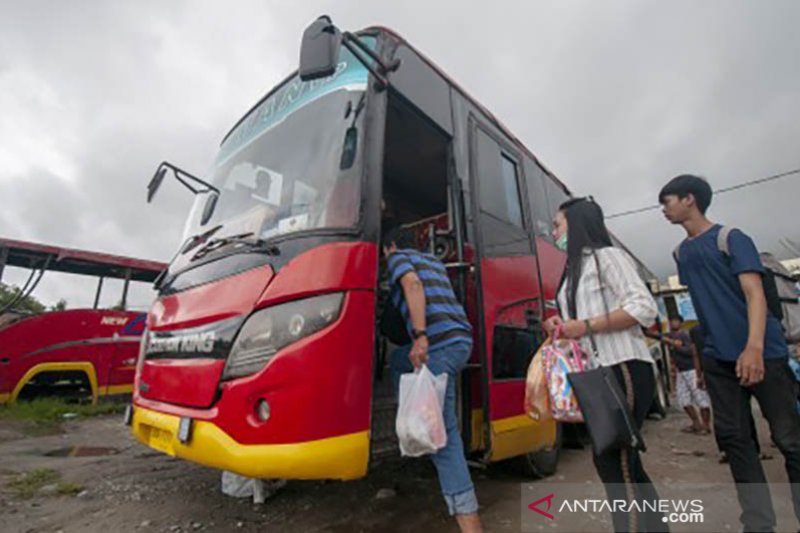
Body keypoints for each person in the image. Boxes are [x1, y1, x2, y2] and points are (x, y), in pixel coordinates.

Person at [659, 174, 800, 532]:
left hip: (763, 353)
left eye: (668, 201)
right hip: (718, 360)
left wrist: (753, 348)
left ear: (689, 199)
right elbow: (704, 305)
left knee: (788, 439)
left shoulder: (731, 239)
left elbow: (754, 294)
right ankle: (758, 524)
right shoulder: (681, 253)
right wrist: (705, 358)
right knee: (736, 442)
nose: (664, 209)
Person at [543, 197, 666, 533]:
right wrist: (561, 324)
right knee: (622, 461)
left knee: (614, 460)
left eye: (558, 225)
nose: (553, 232)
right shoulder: (571, 272)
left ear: (578, 223)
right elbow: (579, 327)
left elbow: (643, 307)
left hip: (622, 365)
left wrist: (585, 325)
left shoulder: (606, 257)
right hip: (597, 373)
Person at [382, 225, 482, 533]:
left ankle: (471, 526)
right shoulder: (434, 263)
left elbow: (411, 285)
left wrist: (421, 336)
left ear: (390, 247)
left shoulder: (397, 258)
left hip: (438, 347)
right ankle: (414, 416)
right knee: (398, 360)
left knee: (442, 440)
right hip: (461, 341)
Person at [664, 316, 711, 434]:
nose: (674, 323)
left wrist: (676, 345)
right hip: (681, 371)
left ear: (681, 323)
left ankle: (706, 425)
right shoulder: (670, 336)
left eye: (676, 321)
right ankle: (696, 423)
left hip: (691, 370)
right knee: (683, 400)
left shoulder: (684, 336)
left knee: (701, 398)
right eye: (672, 321)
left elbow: (691, 352)